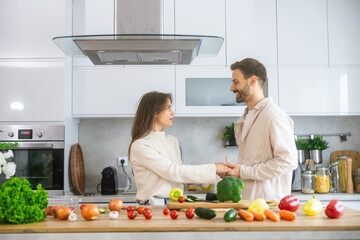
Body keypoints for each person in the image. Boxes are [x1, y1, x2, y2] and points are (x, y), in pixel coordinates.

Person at [129, 91, 230, 205]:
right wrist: (213, 169)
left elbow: (179, 175)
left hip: (176, 202)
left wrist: (213, 173)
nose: (172, 112)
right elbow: (171, 172)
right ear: (155, 112)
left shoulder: (172, 141)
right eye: (168, 107)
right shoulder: (140, 145)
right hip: (155, 205)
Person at [223, 58, 297, 201]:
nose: (232, 88)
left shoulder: (274, 116)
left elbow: (288, 161)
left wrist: (243, 171)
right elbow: (252, 163)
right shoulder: (246, 117)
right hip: (248, 203)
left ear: (252, 81)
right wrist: (236, 170)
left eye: (236, 82)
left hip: (268, 207)